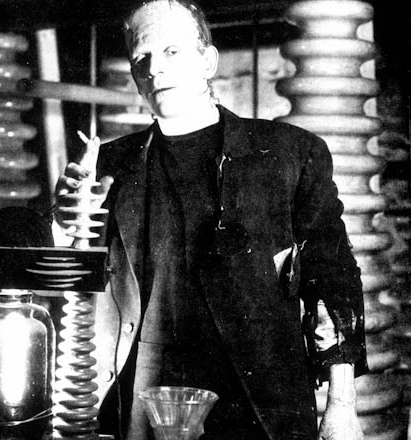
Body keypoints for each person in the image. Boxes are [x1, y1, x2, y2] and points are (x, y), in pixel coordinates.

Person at [54, 1, 367, 439]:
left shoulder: (289, 153)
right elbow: (71, 285)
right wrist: (64, 224)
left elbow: (332, 278)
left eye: (172, 51)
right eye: (141, 58)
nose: (154, 69)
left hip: (258, 408)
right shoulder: (108, 164)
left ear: (208, 61)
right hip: (142, 406)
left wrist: (341, 405)